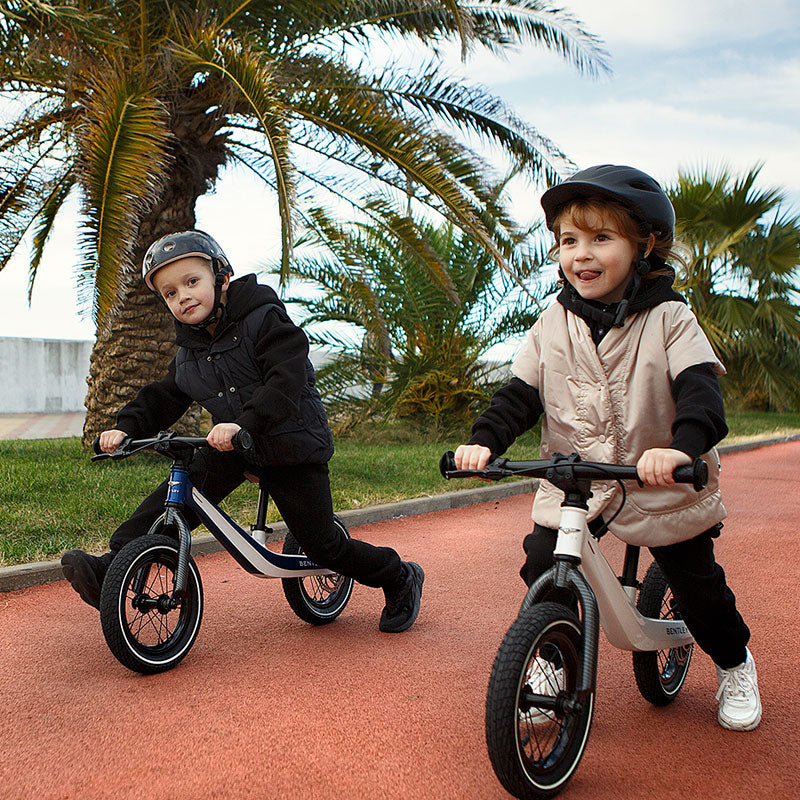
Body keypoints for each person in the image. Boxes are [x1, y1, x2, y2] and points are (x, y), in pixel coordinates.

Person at [453, 165, 761, 731]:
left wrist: (681, 449)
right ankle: (551, 657)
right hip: (580, 481)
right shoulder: (552, 323)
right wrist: (482, 442)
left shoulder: (670, 318)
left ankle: (734, 662)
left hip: (661, 482)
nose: (582, 255)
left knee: (699, 591)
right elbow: (518, 397)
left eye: (602, 238)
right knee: (543, 562)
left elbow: (701, 395)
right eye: (569, 241)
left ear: (644, 245)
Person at [62, 230, 424, 633]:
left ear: (222, 277)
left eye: (192, 281)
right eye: (169, 293)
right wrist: (125, 429)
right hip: (236, 447)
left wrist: (244, 424)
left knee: (324, 545)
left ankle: (399, 576)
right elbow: (163, 396)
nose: (182, 295)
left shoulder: (264, 317)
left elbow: (284, 379)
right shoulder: (189, 354)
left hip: (291, 445)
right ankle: (113, 569)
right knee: (173, 498)